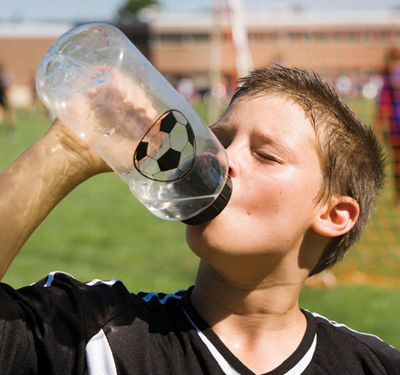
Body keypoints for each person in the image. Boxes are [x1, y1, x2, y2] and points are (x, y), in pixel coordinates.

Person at [0, 65, 398, 374]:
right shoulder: (94, 335)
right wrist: (66, 150)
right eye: (220, 140)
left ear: (333, 214)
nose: (221, 159)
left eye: (265, 155)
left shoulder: (373, 365)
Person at [375, 47, 400, 206]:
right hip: (395, 126)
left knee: (397, 164)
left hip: (395, 125)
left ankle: (398, 197)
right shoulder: (389, 75)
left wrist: (378, 126)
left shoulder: (389, 74)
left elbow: (383, 105)